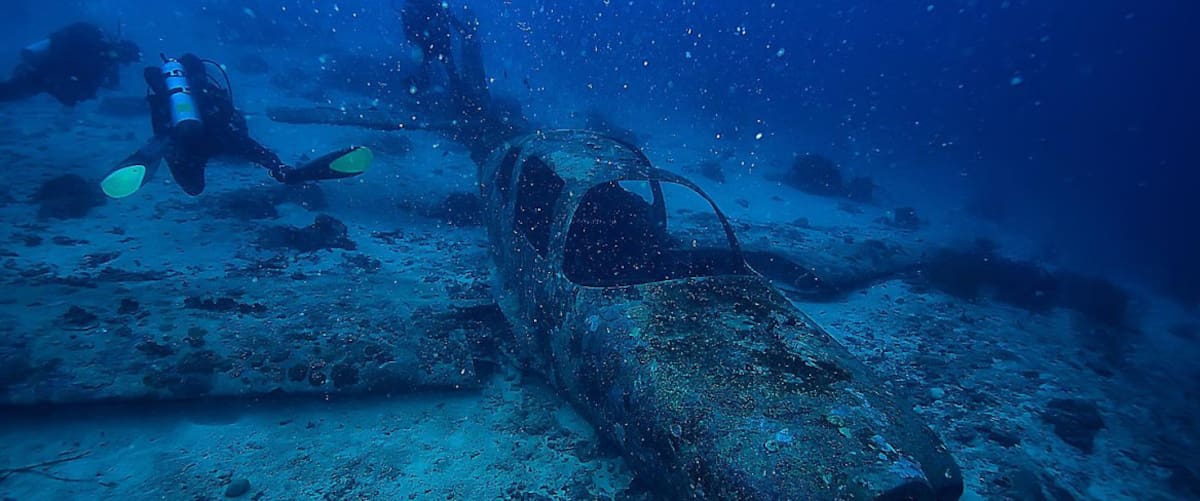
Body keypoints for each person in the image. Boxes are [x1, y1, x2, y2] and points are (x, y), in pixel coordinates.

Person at [101, 53, 372, 199]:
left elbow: (160, 129)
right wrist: (274, 164)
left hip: (178, 144)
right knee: (252, 153)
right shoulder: (208, 91)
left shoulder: (166, 97)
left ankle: (142, 164)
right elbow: (239, 136)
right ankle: (287, 172)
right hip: (218, 137)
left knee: (190, 185)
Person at [0, 22, 141, 106]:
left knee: (12, 93)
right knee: (11, 92)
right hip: (41, 73)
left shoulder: (104, 58)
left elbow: (85, 87)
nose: (121, 62)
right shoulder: (93, 47)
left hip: (44, 77)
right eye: (124, 58)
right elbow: (77, 76)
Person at [400, 0, 460, 92]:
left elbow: (408, 27)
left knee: (429, 67)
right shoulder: (413, 8)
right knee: (447, 67)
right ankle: (456, 89)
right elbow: (449, 17)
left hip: (432, 41)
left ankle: (455, 88)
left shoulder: (412, 8)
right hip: (433, 41)